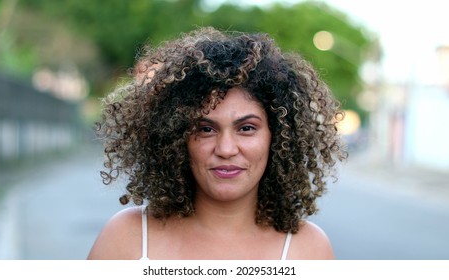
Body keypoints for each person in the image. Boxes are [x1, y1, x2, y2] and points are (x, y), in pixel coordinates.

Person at [87, 27, 347, 260]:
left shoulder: (309, 251)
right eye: (206, 129)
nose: (225, 149)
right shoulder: (126, 239)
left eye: (246, 128)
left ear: (277, 137)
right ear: (176, 138)